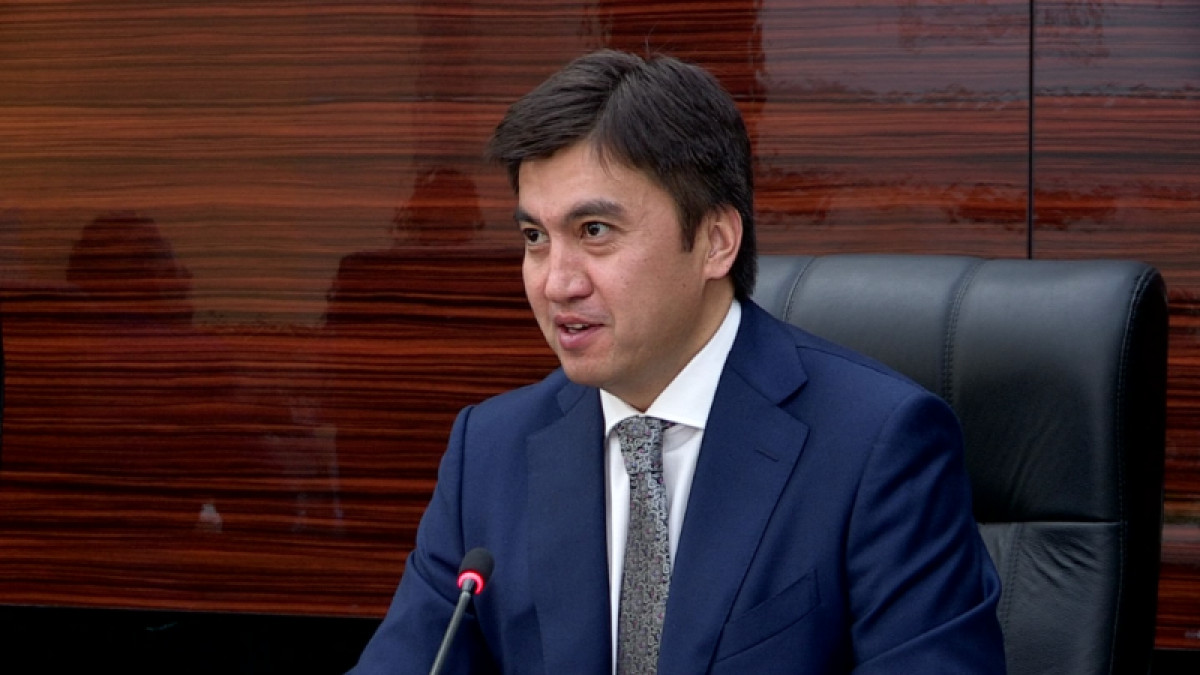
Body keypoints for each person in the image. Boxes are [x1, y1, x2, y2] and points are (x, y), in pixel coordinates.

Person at [349, 49, 1005, 674]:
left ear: (716, 241)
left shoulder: (877, 446)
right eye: (535, 237)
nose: (556, 282)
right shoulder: (490, 452)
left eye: (594, 232)